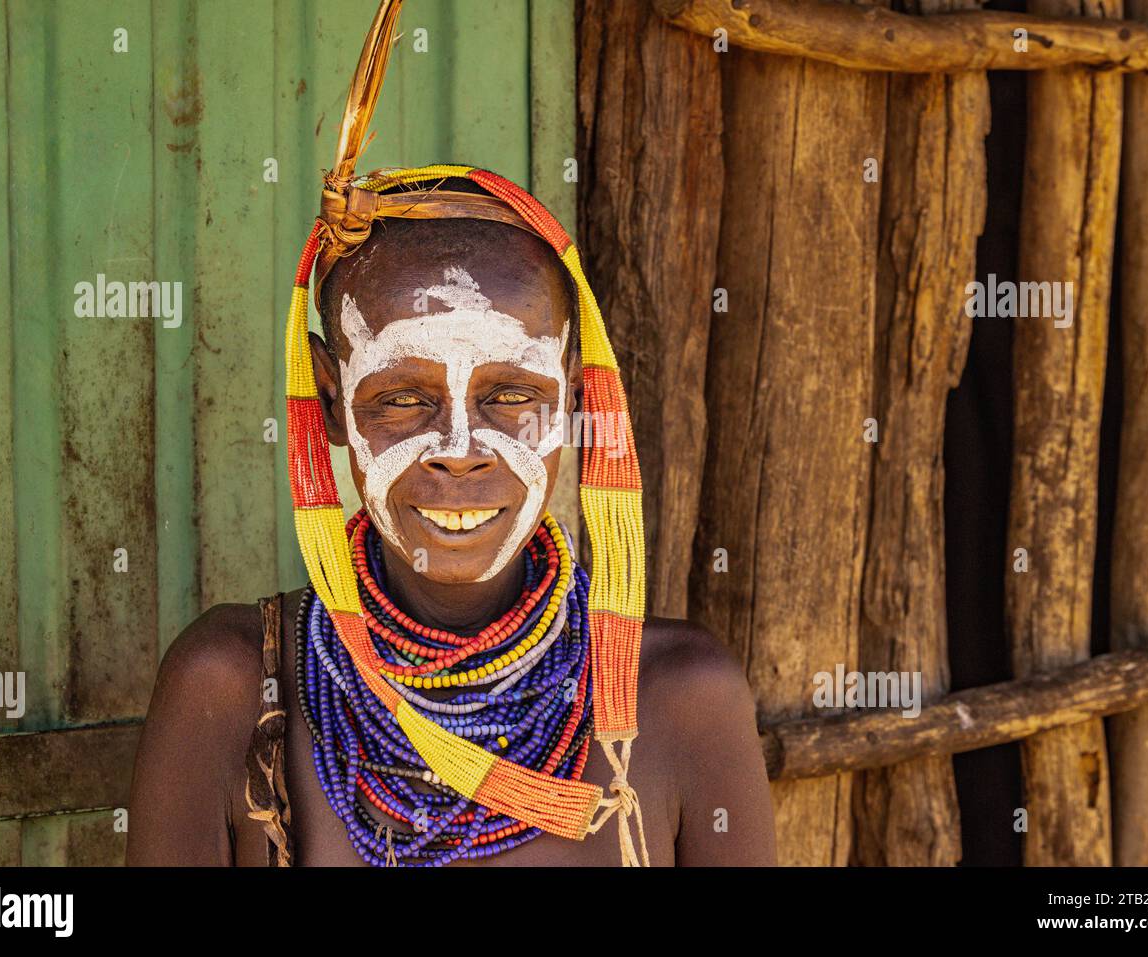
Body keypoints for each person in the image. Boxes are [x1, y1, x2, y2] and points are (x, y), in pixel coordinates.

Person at [126, 0, 774, 867]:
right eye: (401, 398)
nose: (459, 444)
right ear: (330, 401)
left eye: (510, 393)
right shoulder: (236, 690)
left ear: (576, 400)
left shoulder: (682, 700)